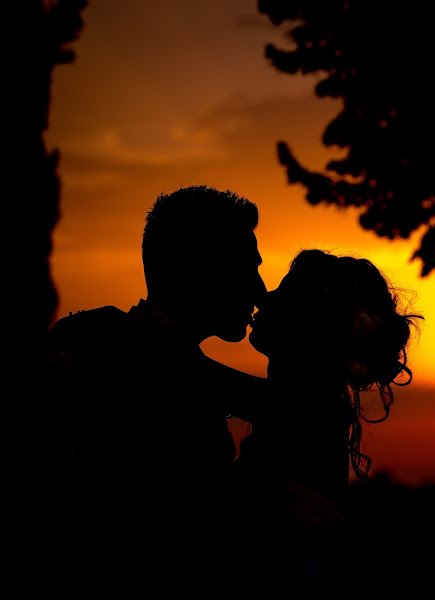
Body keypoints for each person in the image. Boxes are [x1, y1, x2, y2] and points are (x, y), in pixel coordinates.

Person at [40, 185, 267, 577]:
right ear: (201, 269)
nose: (260, 290)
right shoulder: (95, 342)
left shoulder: (151, 355)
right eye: (247, 269)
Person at [236, 249, 422, 578]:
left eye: (285, 292)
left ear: (310, 321)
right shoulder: (315, 401)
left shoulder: (303, 405)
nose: (266, 297)